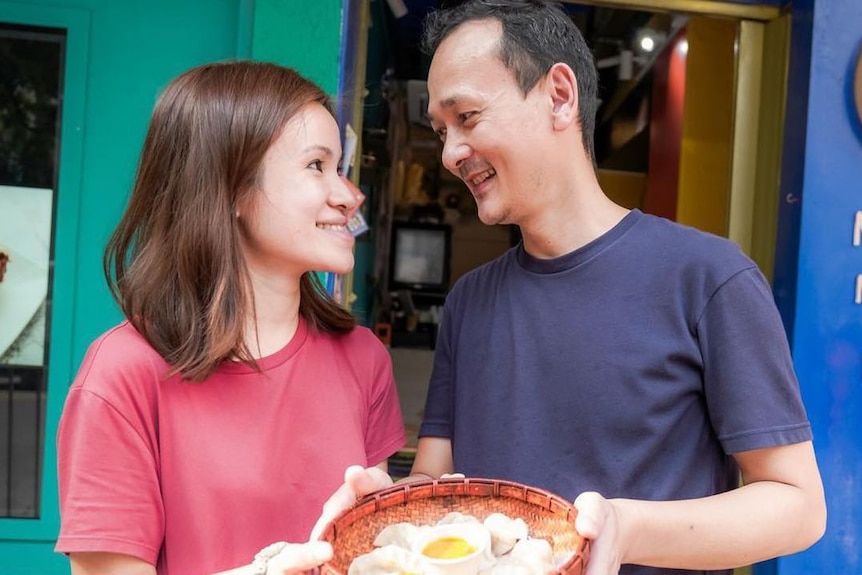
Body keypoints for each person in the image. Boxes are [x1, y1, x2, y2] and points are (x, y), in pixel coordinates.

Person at [319, 1, 827, 574]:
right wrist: (386, 511)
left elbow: (798, 506)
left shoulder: (708, 277)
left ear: (560, 96)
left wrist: (625, 529)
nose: (449, 153)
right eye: (440, 131)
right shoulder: (469, 300)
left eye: (467, 117)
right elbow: (439, 484)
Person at [54, 61, 406, 575]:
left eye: (342, 169)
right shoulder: (121, 375)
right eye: (316, 166)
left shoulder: (364, 358)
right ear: (232, 188)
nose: (349, 196)